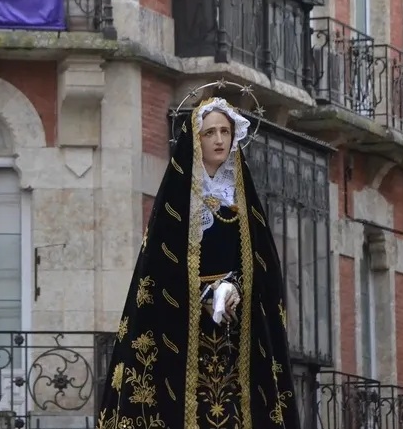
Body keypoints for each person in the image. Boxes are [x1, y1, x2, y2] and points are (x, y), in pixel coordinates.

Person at [96, 97, 300, 429]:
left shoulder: (243, 203)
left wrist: (233, 289)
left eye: (225, 131)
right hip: (181, 330)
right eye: (210, 133)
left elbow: (263, 267)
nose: (219, 140)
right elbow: (159, 272)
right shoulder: (177, 204)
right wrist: (205, 293)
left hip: (235, 331)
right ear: (196, 139)